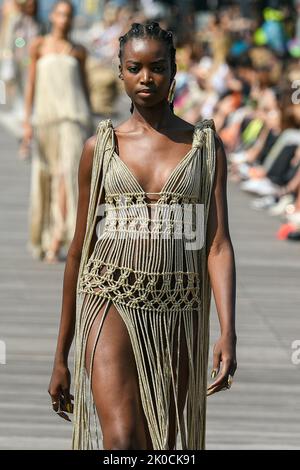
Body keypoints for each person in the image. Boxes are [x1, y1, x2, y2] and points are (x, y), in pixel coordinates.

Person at [48, 21, 237, 450]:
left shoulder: (203, 147)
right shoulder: (102, 148)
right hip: (108, 295)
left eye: (158, 67)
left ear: (174, 73)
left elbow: (217, 243)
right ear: (120, 72)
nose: (146, 78)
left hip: (178, 305)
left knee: (160, 444)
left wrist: (228, 330)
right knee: (121, 441)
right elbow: (79, 251)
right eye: (135, 67)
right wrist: (61, 354)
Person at [23, 0, 93, 263]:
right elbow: (30, 83)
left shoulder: (78, 51)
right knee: (46, 176)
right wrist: (27, 122)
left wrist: (91, 122)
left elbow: (84, 87)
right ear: (52, 16)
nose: (64, 19)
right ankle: (46, 234)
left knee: (67, 174)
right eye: (60, 14)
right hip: (45, 119)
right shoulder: (38, 46)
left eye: (68, 15)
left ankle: (60, 237)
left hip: (74, 118)